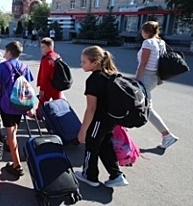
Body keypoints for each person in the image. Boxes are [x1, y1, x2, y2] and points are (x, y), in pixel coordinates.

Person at [75, 45, 128, 188]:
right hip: (110, 120)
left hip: (99, 120)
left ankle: (89, 176)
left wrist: (83, 130)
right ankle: (116, 175)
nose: (81, 65)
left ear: (95, 62)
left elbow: (91, 108)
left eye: (84, 62)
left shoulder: (94, 79)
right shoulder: (110, 74)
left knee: (91, 146)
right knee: (105, 145)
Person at [0, 41, 34, 178]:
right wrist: (30, 107)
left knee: (11, 132)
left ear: (8, 52)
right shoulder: (25, 67)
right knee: (14, 128)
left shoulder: (3, 66)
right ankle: (9, 145)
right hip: (20, 104)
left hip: (7, 105)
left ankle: (16, 165)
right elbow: (28, 87)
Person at [135, 21, 179, 149]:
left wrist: (136, 80)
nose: (141, 33)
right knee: (141, 104)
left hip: (146, 77)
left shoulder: (148, 43)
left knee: (147, 108)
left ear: (146, 31)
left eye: (142, 31)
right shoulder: (161, 42)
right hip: (154, 76)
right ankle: (123, 129)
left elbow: (143, 63)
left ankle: (167, 135)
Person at [35, 37, 63, 116]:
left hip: (48, 86)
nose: (41, 49)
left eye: (43, 47)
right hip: (57, 85)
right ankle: (59, 117)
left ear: (50, 47)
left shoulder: (47, 59)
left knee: (42, 102)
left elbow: (44, 76)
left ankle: (39, 116)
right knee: (58, 103)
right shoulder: (57, 56)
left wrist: (42, 89)